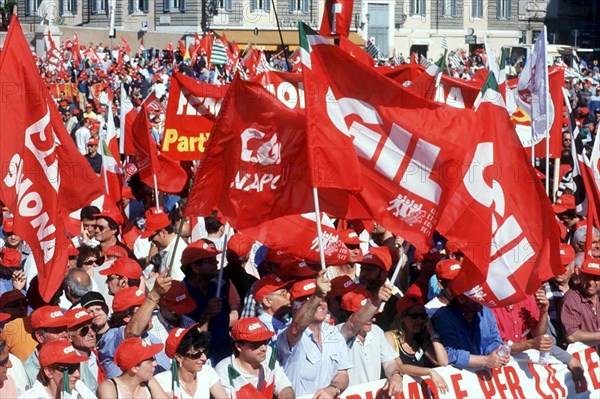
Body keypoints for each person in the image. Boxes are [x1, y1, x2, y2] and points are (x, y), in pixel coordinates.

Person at [277, 269, 352, 398]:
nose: (320, 303)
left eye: (323, 299)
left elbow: (342, 374)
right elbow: (296, 328)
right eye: (309, 300)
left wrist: (332, 389)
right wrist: (317, 295)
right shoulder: (286, 333)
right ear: (295, 307)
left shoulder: (333, 333)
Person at [338, 287, 404, 397]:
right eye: (366, 316)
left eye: (372, 315)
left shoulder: (377, 331)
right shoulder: (337, 335)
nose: (372, 320)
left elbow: (390, 363)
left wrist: (396, 375)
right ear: (348, 316)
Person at [216, 318, 294, 399]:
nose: (263, 348)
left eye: (265, 341)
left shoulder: (269, 355)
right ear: (239, 346)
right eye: (256, 344)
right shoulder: (225, 370)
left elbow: (285, 387)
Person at [385, 295, 449, 394]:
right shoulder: (390, 337)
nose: (419, 320)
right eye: (414, 316)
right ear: (402, 318)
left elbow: (443, 362)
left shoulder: (421, 338)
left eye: (423, 316)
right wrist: (429, 371)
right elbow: (398, 367)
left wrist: (431, 331)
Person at [431, 294, 508, 369]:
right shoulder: (444, 316)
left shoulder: (486, 312)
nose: (483, 299)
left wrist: (498, 353)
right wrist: (485, 360)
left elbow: (494, 339)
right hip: (456, 376)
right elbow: (448, 353)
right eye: (478, 296)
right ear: (462, 299)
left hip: (482, 375)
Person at [155, 323, 229, 398]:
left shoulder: (207, 372)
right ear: (179, 357)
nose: (204, 358)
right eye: (197, 354)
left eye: (205, 352)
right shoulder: (163, 381)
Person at [20, 340, 97, 399]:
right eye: (70, 369)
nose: (77, 374)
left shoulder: (79, 387)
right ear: (48, 372)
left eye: (77, 366)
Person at [97, 337, 169, 399]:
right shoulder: (109, 388)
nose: (155, 363)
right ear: (134, 368)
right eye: (150, 361)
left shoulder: (150, 382)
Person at [560, 258, 600, 350]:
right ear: (580, 275)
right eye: (588, 276)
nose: (591, 282)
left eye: (596, 278)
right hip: (584, 358)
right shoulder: (571, 300)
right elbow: (571, 336)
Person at [141, 210, 188, 281]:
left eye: (151, 237)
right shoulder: (168, 248)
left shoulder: (176, 254)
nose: (150, 240)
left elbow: (178, 285)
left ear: (163, 232)